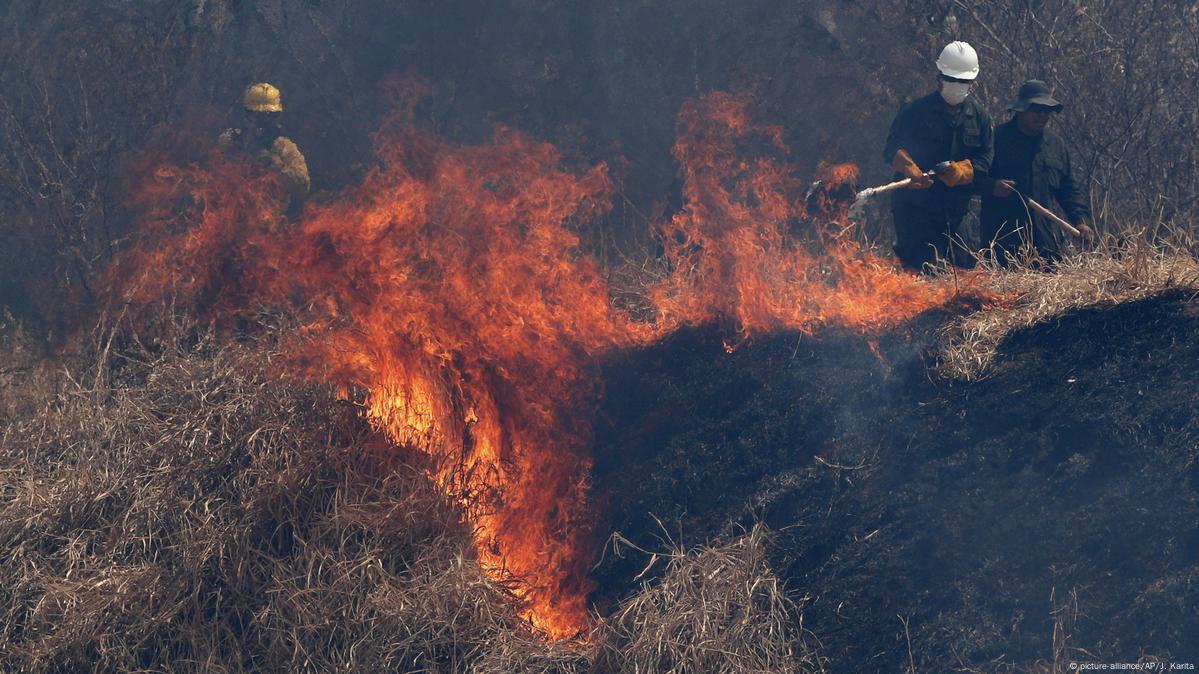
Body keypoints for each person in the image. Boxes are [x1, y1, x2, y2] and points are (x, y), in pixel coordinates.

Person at [883, 41, 994, 272]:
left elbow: (986, 158)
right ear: (939, 78)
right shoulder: (915, 111)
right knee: (920, 272)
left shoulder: (979, 117)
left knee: (962, 271)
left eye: (963, 81)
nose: (956, 86)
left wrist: (964, 171)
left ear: (972, 83)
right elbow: (892, 147)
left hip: (955, 212)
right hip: (916, 210)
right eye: (951, 80)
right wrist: (909, 168)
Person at [977, 80, 1094, 267]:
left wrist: (1080, 220)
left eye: (1047, 111)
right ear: (1021, 109)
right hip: (1002, 244)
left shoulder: (1055, 145)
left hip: (1044, 245)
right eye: (1037, 109)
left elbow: (1068, 189)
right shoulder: (996, 139)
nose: (1043, 115)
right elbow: (974, 178)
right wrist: (992, 186)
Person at [218, 82, 310, 207]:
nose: (261, 122)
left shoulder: (284, 148)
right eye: (256, 115)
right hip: (231, 210)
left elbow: (302, 185)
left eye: (268, 116)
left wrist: (274, 163)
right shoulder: (230, 141)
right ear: (247, 114)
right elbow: (212, 174)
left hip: (269, 217)